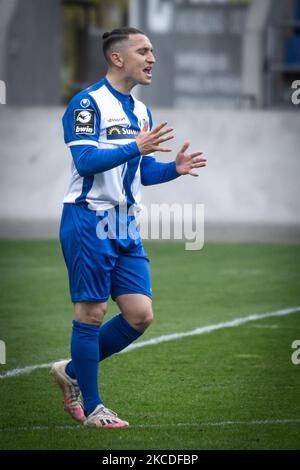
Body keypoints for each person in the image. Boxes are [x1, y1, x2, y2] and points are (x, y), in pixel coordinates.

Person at [50, 27, 207, 428]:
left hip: (124, 221)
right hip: (88, 216)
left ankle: (70, 370)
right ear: (117, 58)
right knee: (91, 312)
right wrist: (135, 147)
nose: (152, 58)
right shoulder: (87, 104)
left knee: (140, 315)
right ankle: (94, 407)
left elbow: (138, 172)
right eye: (144, 51)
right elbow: (85, 162)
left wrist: (173, 169)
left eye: (153, 50)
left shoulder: (140, 111)